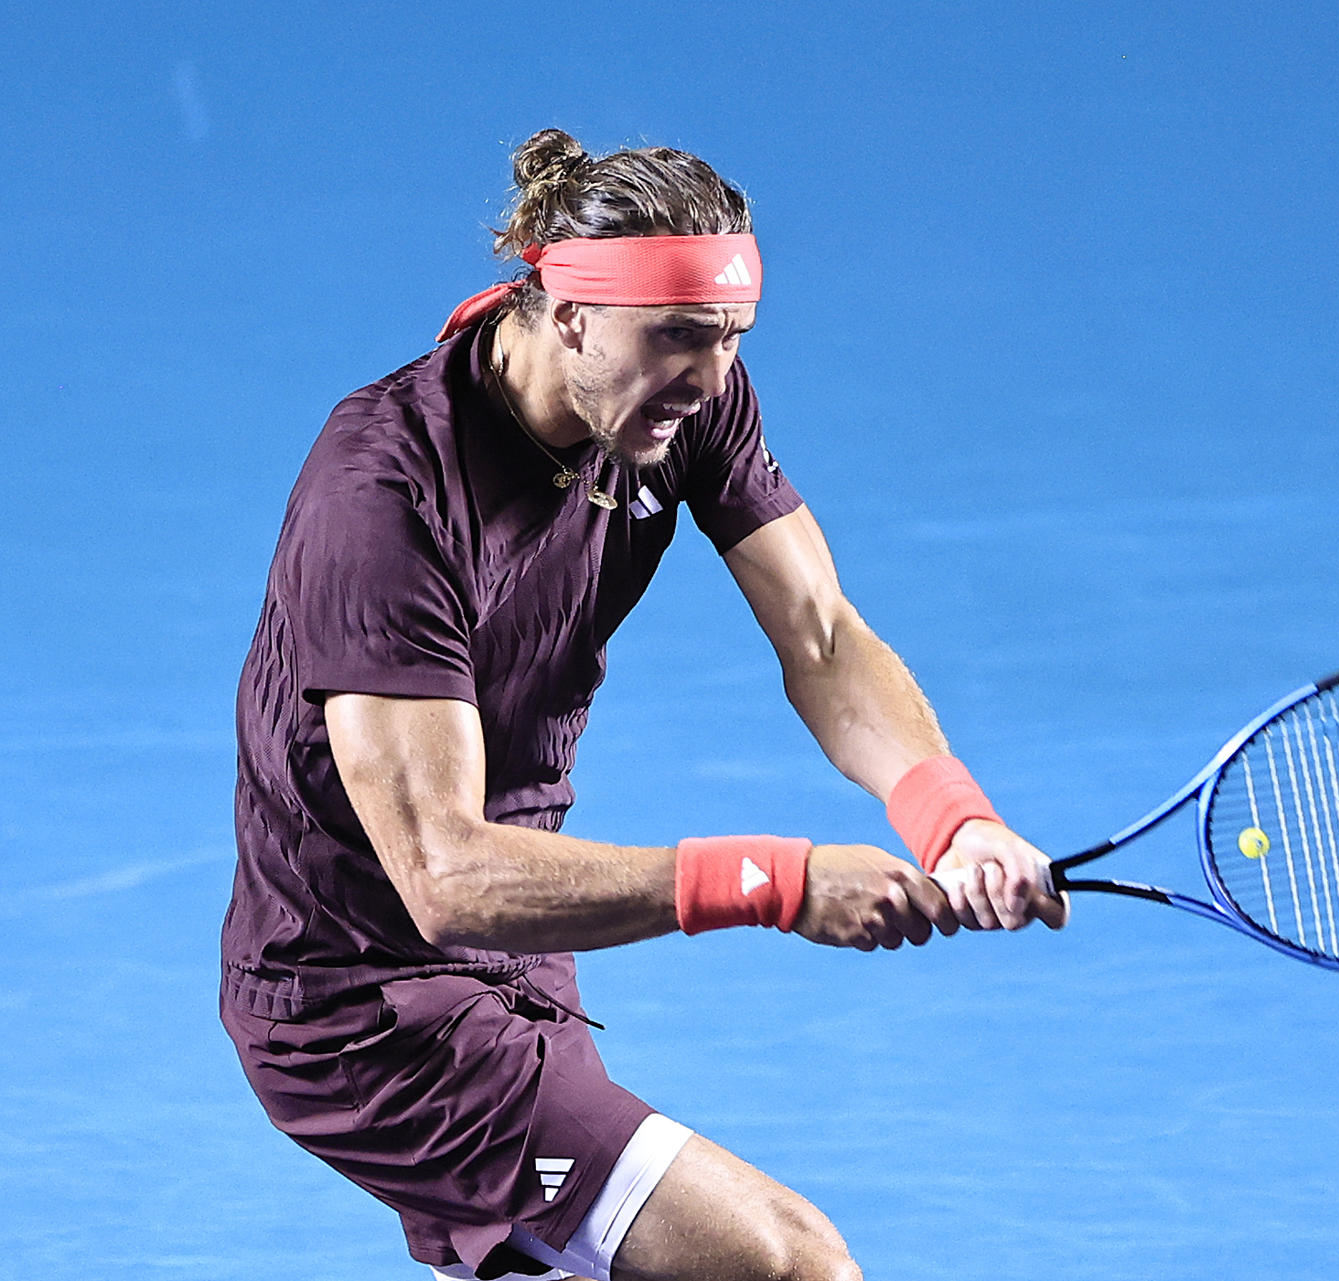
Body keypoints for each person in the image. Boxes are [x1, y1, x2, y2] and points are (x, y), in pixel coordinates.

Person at [219, 127, 1067, 1281]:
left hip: (526, 955)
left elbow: (820, 633)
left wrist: (951, 816)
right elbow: (447, 876)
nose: (711, 379)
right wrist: (779, 882)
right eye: (677, 336)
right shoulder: (383, 495)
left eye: (730, 340)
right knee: (785, 1263)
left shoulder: (676, 405)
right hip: (362, 1008)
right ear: (566, 312)